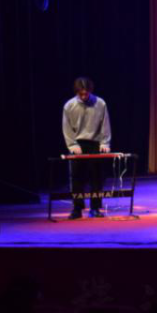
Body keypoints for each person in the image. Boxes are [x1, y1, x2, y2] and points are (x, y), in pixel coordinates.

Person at [62, 77, 112, 219]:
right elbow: (66, 128)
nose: (84, 97)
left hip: (95, 143)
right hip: (77, 144)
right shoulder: (69, 105)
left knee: (97, 176)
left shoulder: (100, 103)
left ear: (90, 91)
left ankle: (95, 208)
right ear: (77, 92)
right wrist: (72, 145)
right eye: (81, 94)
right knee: (77, 177)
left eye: (86, 94)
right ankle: (77, 208)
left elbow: (105, 124)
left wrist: (105, 143)